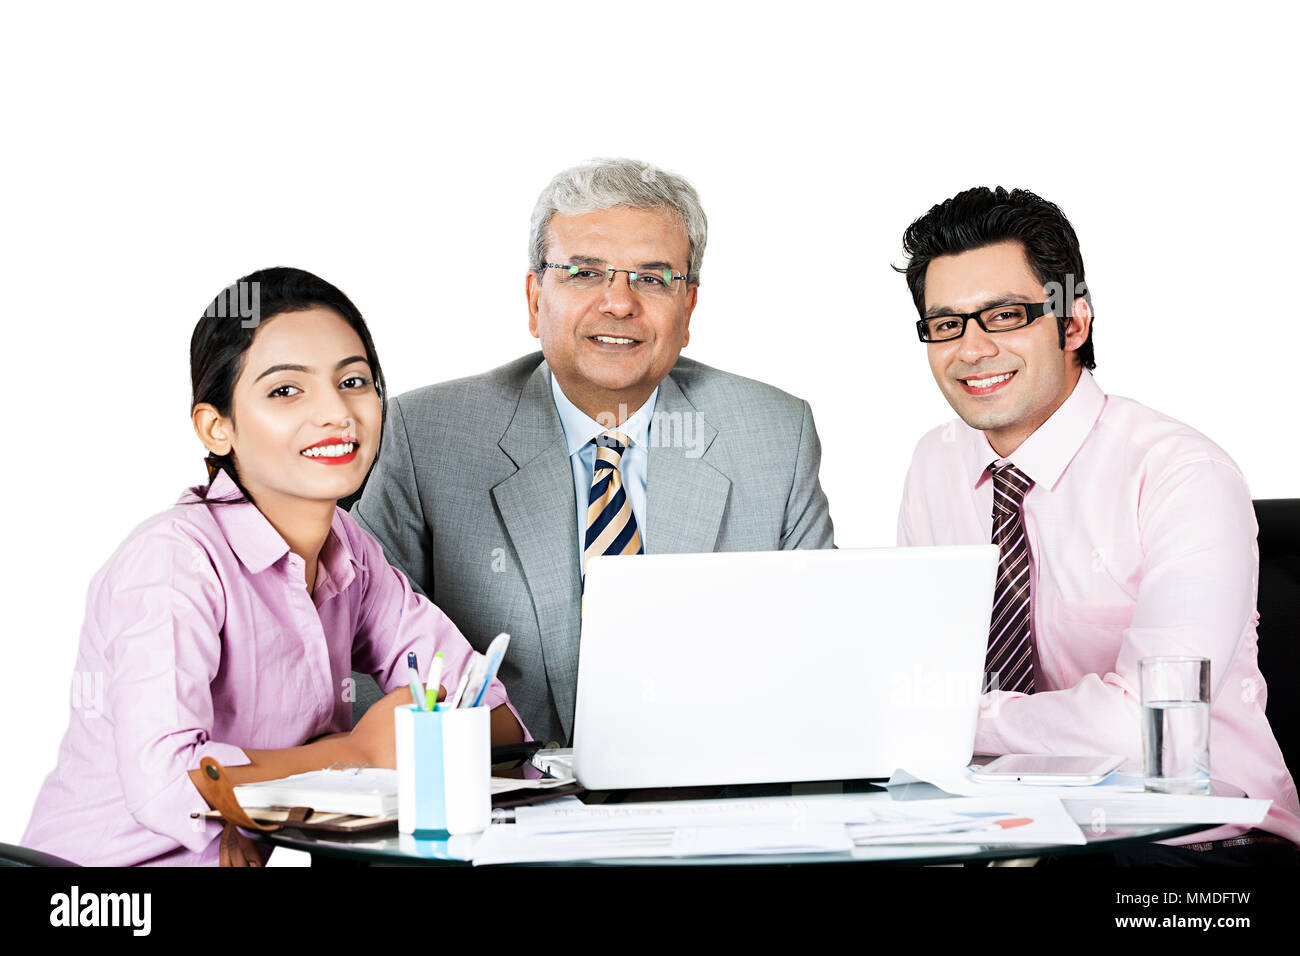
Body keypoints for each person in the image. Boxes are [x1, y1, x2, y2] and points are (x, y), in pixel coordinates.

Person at [23, 267, 526, 867]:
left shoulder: (351, 551)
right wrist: (359, 752)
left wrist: (253, 792)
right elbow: (170, 785)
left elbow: (494, 715)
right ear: (218, 427)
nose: (336, 413)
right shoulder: (174, 561)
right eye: (286, 390)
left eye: (355, 381)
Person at [352, 158, 835, 745]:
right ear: (535, 300)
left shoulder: (774, 435)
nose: (619, 304)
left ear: (689, 312)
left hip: (709, 804)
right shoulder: (426, 436)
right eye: (584, 273)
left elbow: (819, 653)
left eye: (653, 279)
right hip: (502, 805)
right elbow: (364, 659)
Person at [895, 186, 1300, 863]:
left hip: (1197, 837)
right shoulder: (935, 464)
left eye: (1004, 315)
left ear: (1073, 323)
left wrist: (960, 720)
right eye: (946, 324)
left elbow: (1145, 727)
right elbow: (912, 675)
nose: (971, 349)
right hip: (1000, 827)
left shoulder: (1181, 473)